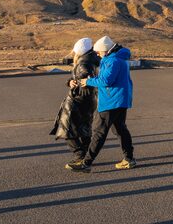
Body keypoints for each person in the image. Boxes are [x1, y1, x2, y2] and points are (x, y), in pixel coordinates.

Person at [66, 36, 135, 172]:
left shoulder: (113, 60)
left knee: (99, 132)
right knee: (121, 130)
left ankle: (86, 163)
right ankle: (129, 159)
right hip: (120, 100)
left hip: (111, 101)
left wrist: (88, 81)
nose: (97, 54)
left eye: (98, 51)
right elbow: (104, 78)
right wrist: (94, 79)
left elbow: (106, 81)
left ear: (105, 50)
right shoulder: (116, 58)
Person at [51, 37, 98, 165]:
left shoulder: (83, 63)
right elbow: (81, 78)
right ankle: (86, 154)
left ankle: (80, 154)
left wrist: (78, 82)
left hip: (79, 99)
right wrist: (70, 81)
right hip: (89, 99)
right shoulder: (93, 60)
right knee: (84, 128)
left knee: (66, 128)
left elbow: (85, 77)